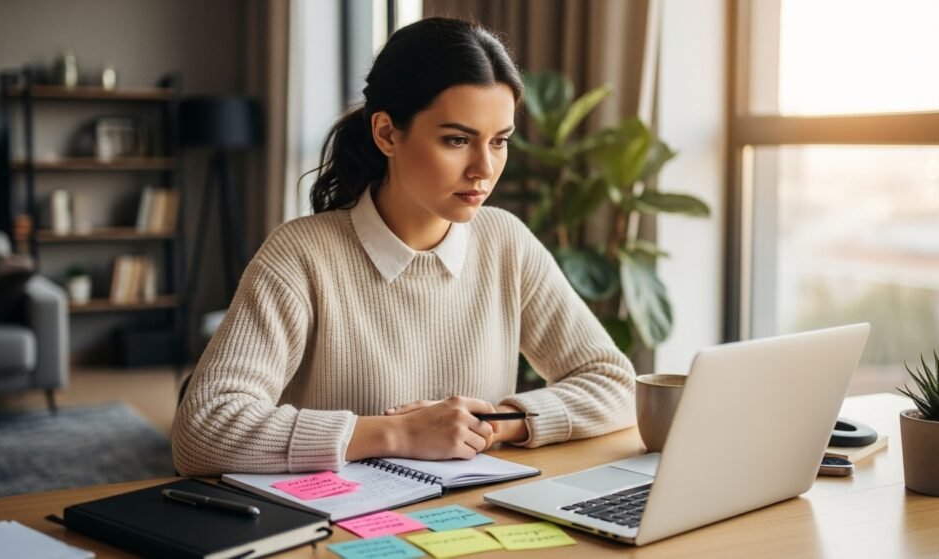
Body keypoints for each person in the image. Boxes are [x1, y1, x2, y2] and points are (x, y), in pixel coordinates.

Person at [172, 17, 635, 476]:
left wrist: (496, 425)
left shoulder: (505, 241)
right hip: (339, 519)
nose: (484, 168)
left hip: (474, 511)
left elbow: (615, 383)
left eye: (500, 142)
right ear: (387, 134)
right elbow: (203, 429)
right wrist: (399, 433)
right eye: (457, 140)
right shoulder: (300, 255)